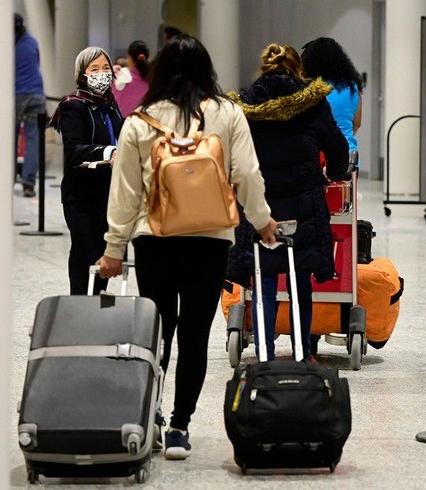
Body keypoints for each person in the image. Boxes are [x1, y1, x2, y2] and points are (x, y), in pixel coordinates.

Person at [96, 35, 276, 460]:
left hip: (155, 239)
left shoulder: (139, 120)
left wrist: (113, 247)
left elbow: (124, 191)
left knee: (156, 334)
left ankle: (151, 415)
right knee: (195, 336)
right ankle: (180, 427)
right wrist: (263, 221)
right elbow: (247, 173)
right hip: (210, 239)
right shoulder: (228, 113)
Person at [225, 43, 349, 362]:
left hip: (259, 203)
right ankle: (303, 351)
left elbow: (230, 153)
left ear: (264, 68)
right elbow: (336, 146)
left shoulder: (245, 103)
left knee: (264, 275)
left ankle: (265, 351)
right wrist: (336, 173)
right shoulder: (313, 100)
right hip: (304, 202)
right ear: (298, 68)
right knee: (300, 276)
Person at [48, 47, 123, 295]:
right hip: (81, 194)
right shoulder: (73, 106)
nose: (102, 73)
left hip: (110, 193)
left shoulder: (111, 105)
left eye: (105, 68)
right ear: (82, 74)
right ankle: (80, 304)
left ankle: (97, 302)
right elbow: (73, 149)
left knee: (105, 255)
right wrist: (108, 152)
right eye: (94, 69)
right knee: (85, 253)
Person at [301, 37, 363, 155]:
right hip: (348, 154)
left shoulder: (311, 88)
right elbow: (357, 124)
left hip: (317, 155)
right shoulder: (353, 86)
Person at [14, 13, 46, 198]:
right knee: (33, 140)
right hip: (36, 94)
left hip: (16, 95)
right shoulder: (32, 41)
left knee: (11, 139)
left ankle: (7, 180)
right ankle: (28, 183)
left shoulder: (8, 45)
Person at [111, 40, 151, 116]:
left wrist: (109, 72)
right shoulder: (151, 80)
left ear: (129, 58)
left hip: (117, 124)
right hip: (139, 123)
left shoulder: (120, 75)